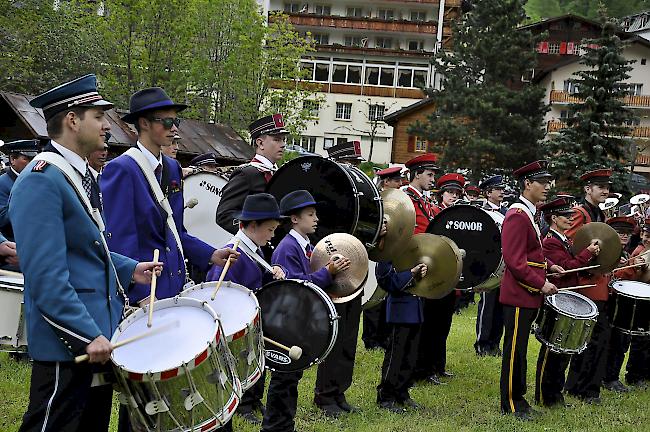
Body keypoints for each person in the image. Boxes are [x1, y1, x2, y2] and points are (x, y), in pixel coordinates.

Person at [12, 74, 161, 432]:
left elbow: (84, 247)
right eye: (98, 115)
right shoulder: (41, 180)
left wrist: (128, 269)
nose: (107, 125)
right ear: (72, 120)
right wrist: (84, 333)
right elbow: (46, 276)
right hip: (70, 345)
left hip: (97, 335)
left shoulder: (79, 175)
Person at [101, 87, 236, 306]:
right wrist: (139, 293)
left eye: (176, 122)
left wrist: (210, 254)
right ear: (144, 123)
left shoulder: (172, 168)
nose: (173, 128)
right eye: (166, 122)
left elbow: (175, 230)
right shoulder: (121, 169)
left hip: (172, 286)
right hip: (145, 293)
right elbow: (119, 239)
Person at [262, 190, 350, 432]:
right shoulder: (287, 248)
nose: (316, 219)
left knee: (293, 377)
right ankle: (275, 426)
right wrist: (327, 272)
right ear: (294, 219)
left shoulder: (306, 245)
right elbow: (294, 286)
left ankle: (284, 424)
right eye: (310, 214)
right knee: (284, 377)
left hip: (298, 322)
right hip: (287, 324)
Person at [208, 193, 285, 426]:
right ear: (252, 225)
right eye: (270, 230)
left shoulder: (255, 249)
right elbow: (218, 294)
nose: (272, 235)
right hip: (232, 329)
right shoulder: (234, 254)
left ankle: (247, 400)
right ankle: (241, 404)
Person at [499, 160, 560, 421]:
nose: (547, 187)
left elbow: (530, 253)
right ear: (527, 184)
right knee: (514, 351)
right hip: (519, 294)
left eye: (548, 182)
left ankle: (519, 398)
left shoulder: (529, 213)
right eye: (542, 183)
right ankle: (511, 403)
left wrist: (550, 266)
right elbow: (514, 261)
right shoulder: (517, 214)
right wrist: (541, 283)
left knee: (520, 348)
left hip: (526, 295)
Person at [534, 197, 600, 408]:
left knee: (563, 350)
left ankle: (555, 395)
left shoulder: (563, 239)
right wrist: (587, 253)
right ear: (554, 218)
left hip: (567, 300)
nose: (571, 219)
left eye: (571, 216)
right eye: (566, 216)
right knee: (553, 350)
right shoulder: (551, 241)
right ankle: (546, 396)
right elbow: (567, 268)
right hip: (558, 298)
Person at [563, 169, 613, 404]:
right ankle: (583, 389)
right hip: (585, 284)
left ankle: (583, 386)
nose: (606, 191)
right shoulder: (579, 213)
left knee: (596, 338)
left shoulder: (599, 214)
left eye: (607, 187)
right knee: (591, 338)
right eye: (600, 187)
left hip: (599, 284)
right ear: (587, 189)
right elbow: (572, 247)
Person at [417, 173, 466, 384]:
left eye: (456, 193)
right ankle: (427, 368)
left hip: (452, 277)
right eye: (450, 193)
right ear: (441, 195)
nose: (453, 196)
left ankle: (439, 365)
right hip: (437, 274)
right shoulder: (435, 214)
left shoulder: (460, 216)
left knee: (444, 324)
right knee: (432, 324)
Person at [217, 114, 288, 234]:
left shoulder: (280, 173)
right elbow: (224, 215)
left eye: (283, 139)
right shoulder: (246, 174)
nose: (283, 144)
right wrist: (253, 232)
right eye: (277, 139)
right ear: (260, 143)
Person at [376, 259, 427, 413]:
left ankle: (402, 391)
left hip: (416, 308)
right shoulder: (390, 252)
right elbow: (387, 281)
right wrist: (411, 273)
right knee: (395, 356)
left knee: (410, 355)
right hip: (399, 310)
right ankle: (385, 396)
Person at [363, 166, 403, 351]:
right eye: (396, 181)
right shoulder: (375, 200)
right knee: (373, 295)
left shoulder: (397, 201)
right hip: (374, 251)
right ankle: (371, 339)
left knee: (385, 294)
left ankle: (383, 336)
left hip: (390, 251)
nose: (400, 184)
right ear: (386, 182)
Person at [603, 216, 639, 392]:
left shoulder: (625, 254)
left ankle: (613, 376)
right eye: (620, 233)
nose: (624, 236)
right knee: (613, 341)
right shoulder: (609, 252)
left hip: (623, 303)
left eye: (627, 234)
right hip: (610, 302)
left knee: (622, 341)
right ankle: (608, 377)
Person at [475, 175, 507, 356]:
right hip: (489, 264)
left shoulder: (506, 212)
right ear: (488, 193)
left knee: (500, 307)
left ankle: (495, 343)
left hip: (504, 264)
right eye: (498, 189)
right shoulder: (482, 212)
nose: (502, 192)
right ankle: (482, 343)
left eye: (502, 189)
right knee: (487, 306)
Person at [623, 219, 650, 387]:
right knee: (641, 338)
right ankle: (634, 375)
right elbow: (633, 276)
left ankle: (645, 372)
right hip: (641, 299)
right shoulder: (640, 252)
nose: (647, 239)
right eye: (646, 235)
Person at [0, 139, 39, 242]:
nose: (32, 163)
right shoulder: (2, 183)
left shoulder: (39, 179)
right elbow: (2, 219)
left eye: (34, 159)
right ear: (12, 159)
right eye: (27, 159)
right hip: (15, 244)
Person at [403, 154, 438, 234]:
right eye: (429, 175)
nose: (433, 180)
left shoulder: (425, 200)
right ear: (417, 174)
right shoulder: (405, 200)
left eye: (433, 176)